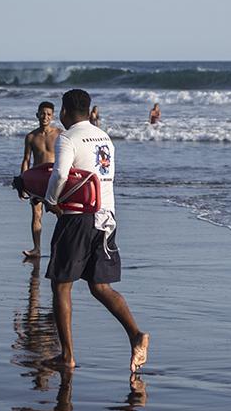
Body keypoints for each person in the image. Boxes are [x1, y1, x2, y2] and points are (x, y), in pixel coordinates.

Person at [38, 89, 149, 373]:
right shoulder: (104, 137)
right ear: (88, 111)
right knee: (100, 286)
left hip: (78, 218)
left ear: (64, 112)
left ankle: (67, 356)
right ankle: (136, 334)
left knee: (61, 285)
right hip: (107, 217)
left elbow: (60, 174)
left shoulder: (68, 137)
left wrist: (50, 201)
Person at [20, 101, 60, 260]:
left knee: (60, 213)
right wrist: (23, 181)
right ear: (37, 114)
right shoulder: (31, 136)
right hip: (37, 180)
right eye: (42, 113)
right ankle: (36, 248)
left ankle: (60, 248)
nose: (45, 117)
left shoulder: (60, 134)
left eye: (49, 114)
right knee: (36, 214)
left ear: (53, 116)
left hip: (54, 179)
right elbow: (26, 160)